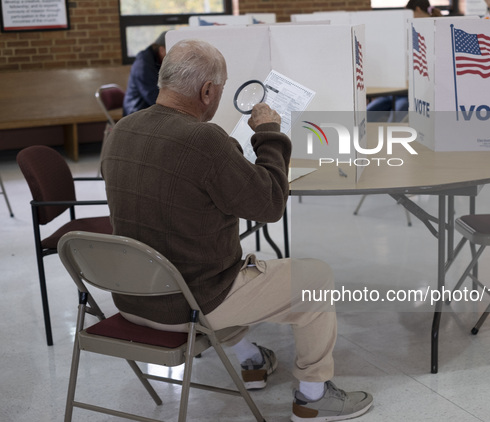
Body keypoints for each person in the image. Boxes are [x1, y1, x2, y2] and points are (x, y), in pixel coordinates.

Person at [101, 39, 373, 422]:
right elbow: (270, 205)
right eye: (221, 89)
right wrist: (268, 133)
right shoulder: (204, 140)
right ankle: (313, 396)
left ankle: (252, 360)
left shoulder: (120, 131)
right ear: (207, 91)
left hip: (132, 298)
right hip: (190, 305)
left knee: (227, 262)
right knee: (315, 277)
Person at [367, 0, 441, 123]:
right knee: (368, 113)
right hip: (396, 90)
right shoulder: (410, 30)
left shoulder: (433, 30)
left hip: (414, 93)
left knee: (395, 120)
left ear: (417, 9)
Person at [122, 31, 167, 116]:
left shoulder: (156, 59)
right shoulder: (143, 65)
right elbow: (154, 97)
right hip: (136, 113)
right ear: (161, 50)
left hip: (147, 110)